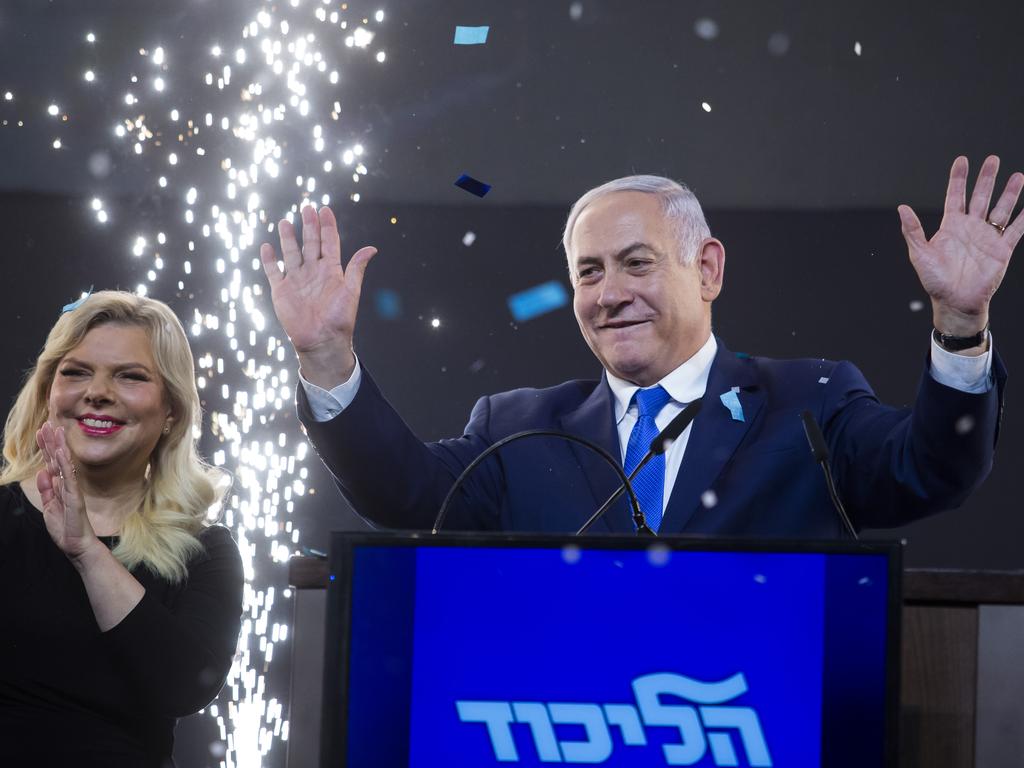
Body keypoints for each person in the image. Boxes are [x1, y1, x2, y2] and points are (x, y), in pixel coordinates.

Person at [260, 156, 1014, 536]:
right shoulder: (516, 430)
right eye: (588, 273)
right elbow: (405, 495)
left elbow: (933, 471)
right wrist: (326, 356)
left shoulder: (807, 407)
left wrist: (960, 323)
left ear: (707, 268)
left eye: (636, 262)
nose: (608, 292)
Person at [0, 291, 244, 768]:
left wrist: (87, 552)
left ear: (171, 409)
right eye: (76, 372)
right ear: (50, 392)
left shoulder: (205, 549)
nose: (98, 392)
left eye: (130, 376)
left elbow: (185, 686)